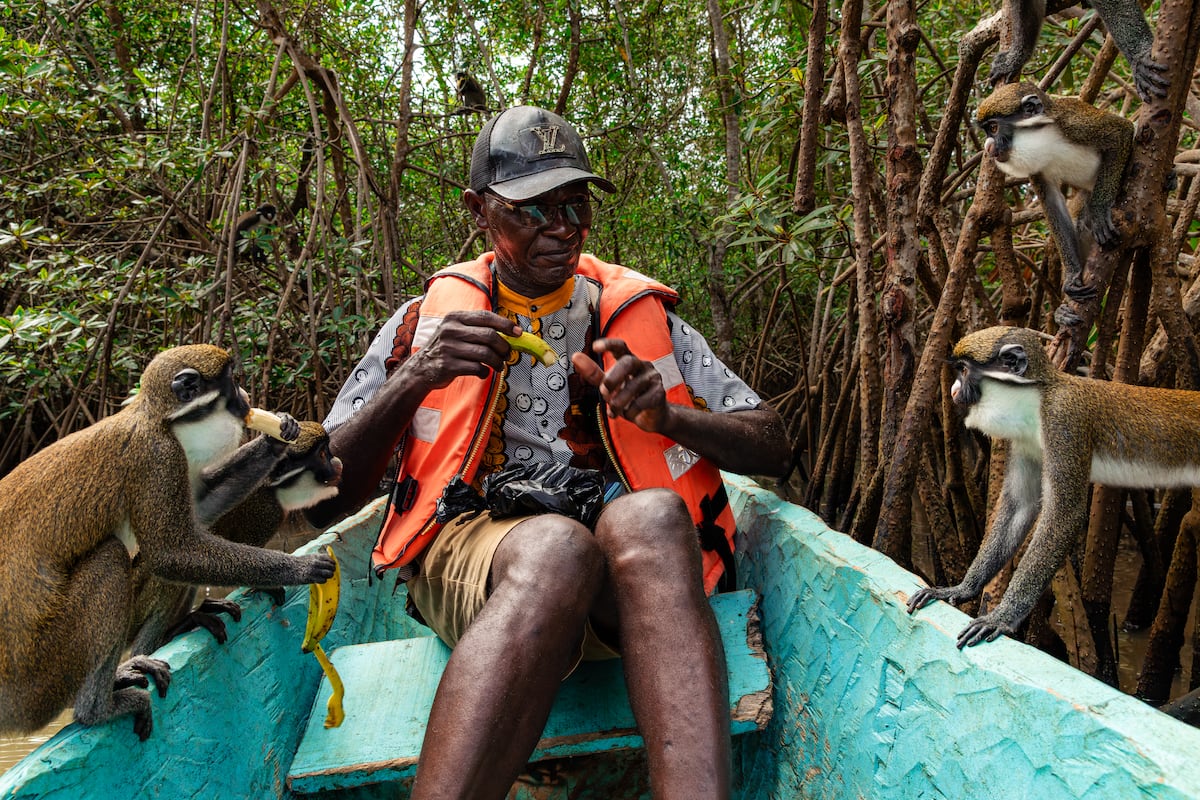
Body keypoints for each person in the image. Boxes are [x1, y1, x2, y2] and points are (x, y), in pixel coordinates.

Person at [311, 105, 790, 800]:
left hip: (618, 594)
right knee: (557, 548)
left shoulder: (629, 310)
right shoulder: (426, 322)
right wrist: (416, 375)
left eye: (575, 205)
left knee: (656, 516)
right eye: (533, 210)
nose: (561, 226)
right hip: (481, 567)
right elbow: (323, 494)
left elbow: (775, 445)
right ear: (479, 211)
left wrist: (668, 416)